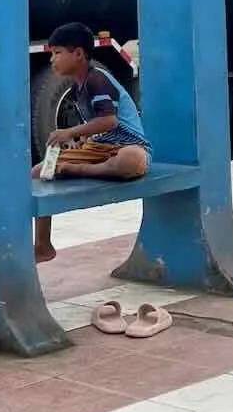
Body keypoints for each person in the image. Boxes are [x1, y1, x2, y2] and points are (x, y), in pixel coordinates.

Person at [31, 21, 151, 263]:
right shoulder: (77, 87)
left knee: (132, 161)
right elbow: (94, 123)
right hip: (100, 149)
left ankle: (79, 170)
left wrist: (69, 133)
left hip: (127, 146)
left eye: (57, 53)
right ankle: (42, 245)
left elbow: (108, 121)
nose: (52, 60)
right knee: (38, 172)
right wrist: (82, 140)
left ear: (78, 54)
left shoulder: (98, 79)